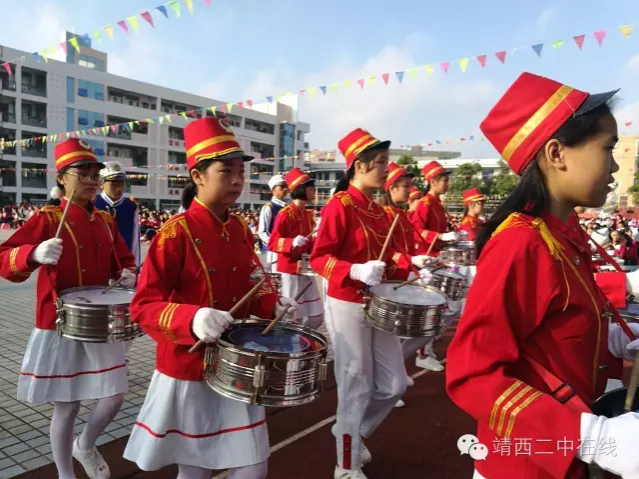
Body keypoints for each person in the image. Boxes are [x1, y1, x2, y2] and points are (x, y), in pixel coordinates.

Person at [445, 72, 639, 478]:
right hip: (525, 464)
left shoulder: (562, 233)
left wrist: (619, 339)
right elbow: (472, 374)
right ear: (556, 153)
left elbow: (560, 326)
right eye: (608, 148)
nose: (615, 164)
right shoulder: (521, 242)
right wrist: (591, 436)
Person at [123, 117, 298, 479]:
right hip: (191, 368)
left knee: (253, 468)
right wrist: (192, 318)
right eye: (226, 171)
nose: (237, 180)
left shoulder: (238, 229)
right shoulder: (175, 233)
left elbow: (256, 284)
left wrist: (273, 306)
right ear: (197, 176)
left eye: (240, 171)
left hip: (239, 365)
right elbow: (142, 307)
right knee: (195, 471)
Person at [0, 138, 137, 479]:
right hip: (60, 322)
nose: (92, 179)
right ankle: (65, 473)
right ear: (62, 178)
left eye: (95, 173)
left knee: (115, 396)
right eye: (83, 172)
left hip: (101, 322)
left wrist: (127, 274)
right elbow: (4, 259)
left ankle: (86, 444)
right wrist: (32, 253)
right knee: (67, 406)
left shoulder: (105, 220)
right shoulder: (47, 218)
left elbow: (123, 261)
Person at [310, 128, 432, 479]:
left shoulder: (380, 213)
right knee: (355, 383)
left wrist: (411, 264)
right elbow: (320, 258)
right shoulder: (339, 206)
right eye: (380, 163)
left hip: (380, 303)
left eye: (385, 161)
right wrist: (355, 270)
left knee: (394, 384)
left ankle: (352, 431)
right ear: (358, 166)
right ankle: (345, 465)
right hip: (347, 302)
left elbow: (389, 258)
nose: (386, 168)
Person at [378, 162, 433, 408]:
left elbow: (406, 248)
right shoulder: (385, 214)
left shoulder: (400, 214)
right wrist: (410, 261)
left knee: (400, 331)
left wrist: (418, 265)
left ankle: (392, 378)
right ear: (391, 188)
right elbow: (388, 252)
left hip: (400, 276)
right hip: (386, 280)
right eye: (405, 186)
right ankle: (385, 384)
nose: (410, 189)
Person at [268, 167, 324, 330]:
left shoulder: (307, 215)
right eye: (310, 188)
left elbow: (310, 243)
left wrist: (317, 238)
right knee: (292, 316)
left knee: (316, 317)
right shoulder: (285, 214)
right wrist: (291, 242)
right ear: (301, 190)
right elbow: (273, 242)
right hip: (289, 270)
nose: (314, 191)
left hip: (306, 270)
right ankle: (293, 349)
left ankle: (302, 340)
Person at [95, 161, 141, 265]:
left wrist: (134, 267)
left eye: (122, 184)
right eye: (114, 184)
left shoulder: (130, 207)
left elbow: (135, 242)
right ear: (101, 183)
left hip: (123, 264)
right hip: (98, 264)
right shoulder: (93, 204)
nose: (119, 189)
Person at [258, 175, 288, 272]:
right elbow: (262, 232)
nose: (285, 189)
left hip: (286, 250)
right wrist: (276, 244)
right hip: (273, 251)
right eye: (282, 186)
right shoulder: (268, 207)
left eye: (285, 186)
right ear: (273, 190)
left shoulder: (288, 208)